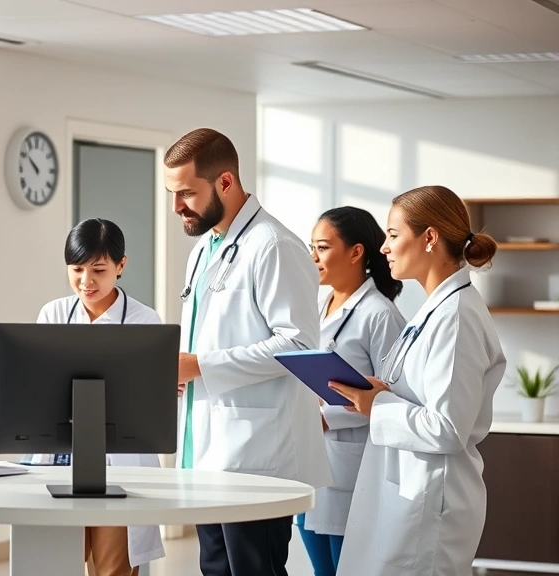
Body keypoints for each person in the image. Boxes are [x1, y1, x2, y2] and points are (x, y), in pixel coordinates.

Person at [164, 128, 331, 576]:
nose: (176, 206)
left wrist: (201, 366)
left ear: (225, 182)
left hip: (258, 457)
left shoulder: (274, 245)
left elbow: (298, 345)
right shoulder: (203, 250)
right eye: (172, 193)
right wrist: (185, 370)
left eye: (186, 193)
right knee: (215, 569)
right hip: (207, 451)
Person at [331, 185, 506, 576]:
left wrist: (378, 404)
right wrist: (380, 393)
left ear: (429, 237)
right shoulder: (435, 310)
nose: (383, 248)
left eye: (393, 235)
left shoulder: (456, 317)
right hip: (409, 494)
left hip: (430, 502)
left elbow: (447, 428)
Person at [34, 218, 165, 576]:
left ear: (121, 266)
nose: (85, 281)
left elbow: (149, 401)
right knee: (57, 564)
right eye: (76, 269)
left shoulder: (144, 321)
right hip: (62, 460)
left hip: (118, 468)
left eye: (98, 270)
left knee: (113, 570)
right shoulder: (53, 314)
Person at [296, 206, 406, 576]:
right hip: (312, 461)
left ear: (356, 252)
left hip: (353, 467)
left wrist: (327, 417)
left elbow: (392, 396)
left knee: (346, 568)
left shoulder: (379, 314)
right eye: (312, 247)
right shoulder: (317, 306)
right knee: (321, 570)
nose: (313, 257)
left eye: (323, 247)